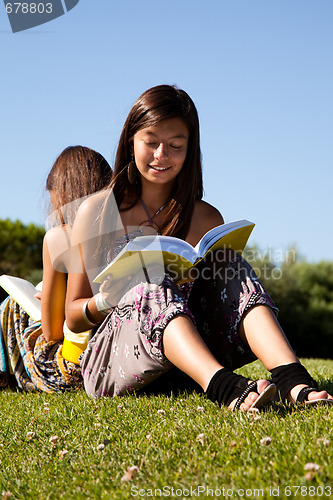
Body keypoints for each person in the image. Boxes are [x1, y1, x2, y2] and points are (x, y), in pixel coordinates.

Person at [65, 85, 333, 410]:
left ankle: (292, 378)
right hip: (112, 365)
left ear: (190, 150)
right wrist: (106, 299)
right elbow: (73, 315)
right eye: (150, 142)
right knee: (149, 282)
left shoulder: (205, 216)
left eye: (175, 145)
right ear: (130, 141)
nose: (161, 155)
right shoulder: (97, 211)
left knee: (227, 262)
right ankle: (224, 388)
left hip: (187, 365)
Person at [0, 146, 112, 392]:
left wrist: (47, 303)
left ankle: (6, 377)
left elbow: (52, 332)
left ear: (61, 195)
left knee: (11, 306)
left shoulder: (58, 238)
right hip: (112, 362)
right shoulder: (122, 233)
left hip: (71, 372)